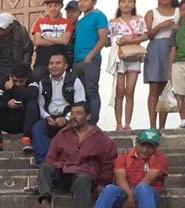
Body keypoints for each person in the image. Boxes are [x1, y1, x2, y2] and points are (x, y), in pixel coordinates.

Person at [23, 102, 117, 208]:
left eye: (78, 113)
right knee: (45, 166)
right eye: (72, 113)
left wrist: (101, 183)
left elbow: (108, 164)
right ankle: (45, 204)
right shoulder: (63, 134)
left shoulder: (102, 139)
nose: (73, 117)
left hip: (84, 177)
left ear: (88, 116)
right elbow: (51, 157)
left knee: (83, 178)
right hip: (64, 173)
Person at [86, 129, 166, 208]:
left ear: (156, 148)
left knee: (142, 188)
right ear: (136, 143)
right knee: (110, 188)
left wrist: (132, 197)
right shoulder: (123, 158)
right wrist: (129, 196)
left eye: (150, 146)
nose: (145, 149)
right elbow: (119, 178)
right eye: (142, 145)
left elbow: (148, 179)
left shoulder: (161, 158)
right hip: (126, 194)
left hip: (149, 198)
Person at [31, 53, 86, 166]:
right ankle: (44, 161)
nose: (54, 66)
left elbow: (80, 104)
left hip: (69, 118)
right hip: (50, 118)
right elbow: (41, 105)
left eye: (58, 63)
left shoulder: (74, 81)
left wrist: (66, 118)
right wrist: (47, 117)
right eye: (51, 63)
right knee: (37, 128)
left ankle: (66, 160)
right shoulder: (43, 82)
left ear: (65, 66)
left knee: (74, 130)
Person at [109, 0, 147, 131]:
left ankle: (128, 123)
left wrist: (129, 41)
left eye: (130, 1)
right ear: (119, 4)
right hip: (120, 57)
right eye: (123, 1)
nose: (126, 4)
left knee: (130, 91)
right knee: (119, 91)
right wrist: (120, 41)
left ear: (134, 4)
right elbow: (111, 41)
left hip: (134, 56)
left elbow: (145, 36)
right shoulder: (113, 22)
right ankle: (119, 124)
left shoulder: (139, 19)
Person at [0, 63, 40, 152]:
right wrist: (6, 104)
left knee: (32, 104)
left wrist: (13, 87)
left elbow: (32, 94)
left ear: (27, 78)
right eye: (15, 81)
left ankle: (27, 139)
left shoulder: (32, 81)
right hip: (6, 118)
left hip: (23, 121)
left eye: (21, 81)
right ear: (10, 77)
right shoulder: (2, 81)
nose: (17, 83)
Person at [144, 0, 180, 128]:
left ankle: (162, 127)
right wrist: (161, 25)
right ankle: (153, 126)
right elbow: (148, 35)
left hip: (173, 48)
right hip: (156, 48)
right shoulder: (151, 13)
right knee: (154, 87)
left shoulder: (178, 11)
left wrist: (177, 28)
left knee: (166, 87)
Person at [73, 0, 110, 124]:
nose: (82, 3)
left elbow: (103, 39)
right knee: (79, 94)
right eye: (80, 0)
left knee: (91, 90)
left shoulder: (99, 16)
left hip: (90, 60)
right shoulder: (80, 21)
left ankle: (93, 122)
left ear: (94, 2)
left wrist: (90, 56)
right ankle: (81, 122)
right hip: (77, 61)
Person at [0, 13, 33, 92]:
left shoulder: (21, 32)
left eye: (4, 28)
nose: (1, 31)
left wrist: (24, 69)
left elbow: (28, 51)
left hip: (16, 69)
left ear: (11, 26)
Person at [32, 0, 75, 81]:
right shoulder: (40, 22)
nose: (53, 8)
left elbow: (65, 41)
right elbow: (37, 41)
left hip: (60, 63)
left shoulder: (67, 22)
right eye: (50, 6)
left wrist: (45, 36)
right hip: (41, 63)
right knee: (36, 83)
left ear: (61, 6)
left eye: (56, 5)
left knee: (61, 86)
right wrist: (58, 40)